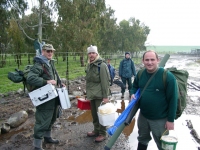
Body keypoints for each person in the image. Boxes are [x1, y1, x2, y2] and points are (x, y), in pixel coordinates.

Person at [130, 50, 178, 150]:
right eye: (147, 60)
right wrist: (132, 93)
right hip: (143, 116)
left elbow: (173, 100)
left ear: (158, 60)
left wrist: (170, 120)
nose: (149, 62)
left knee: (162, 144)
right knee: (142, 139)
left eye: (152, 59)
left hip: (160, 119)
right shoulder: (140, 73)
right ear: (143, 61)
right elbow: (134, 86)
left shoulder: (168, 77)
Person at [27, 44, 65, 150]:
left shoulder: (49, 63)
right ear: (42, 51)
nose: (50, 53)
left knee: (52, 118)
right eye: (47, 51)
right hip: (44, 99)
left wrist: (59, 83)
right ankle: (37, 146)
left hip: (52, 97)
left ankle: (47, 137)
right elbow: (31, 78)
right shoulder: (39, 65)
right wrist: (46, 81)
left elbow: (52, 77)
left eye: (51, 51)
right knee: (42, 121)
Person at [85, 45, 111, 142]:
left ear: (96, 53)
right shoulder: (90, 65)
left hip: (100, 95)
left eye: (93, 53)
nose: (91, 55)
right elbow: (89, 81)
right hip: (92, 95)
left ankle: (102, 133)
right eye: (90, 53)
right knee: (94, 115)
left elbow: (105, 82)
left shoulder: (102, 65)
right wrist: (87, 93)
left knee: (101, 115)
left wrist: (105, 96)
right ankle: (96, 130)